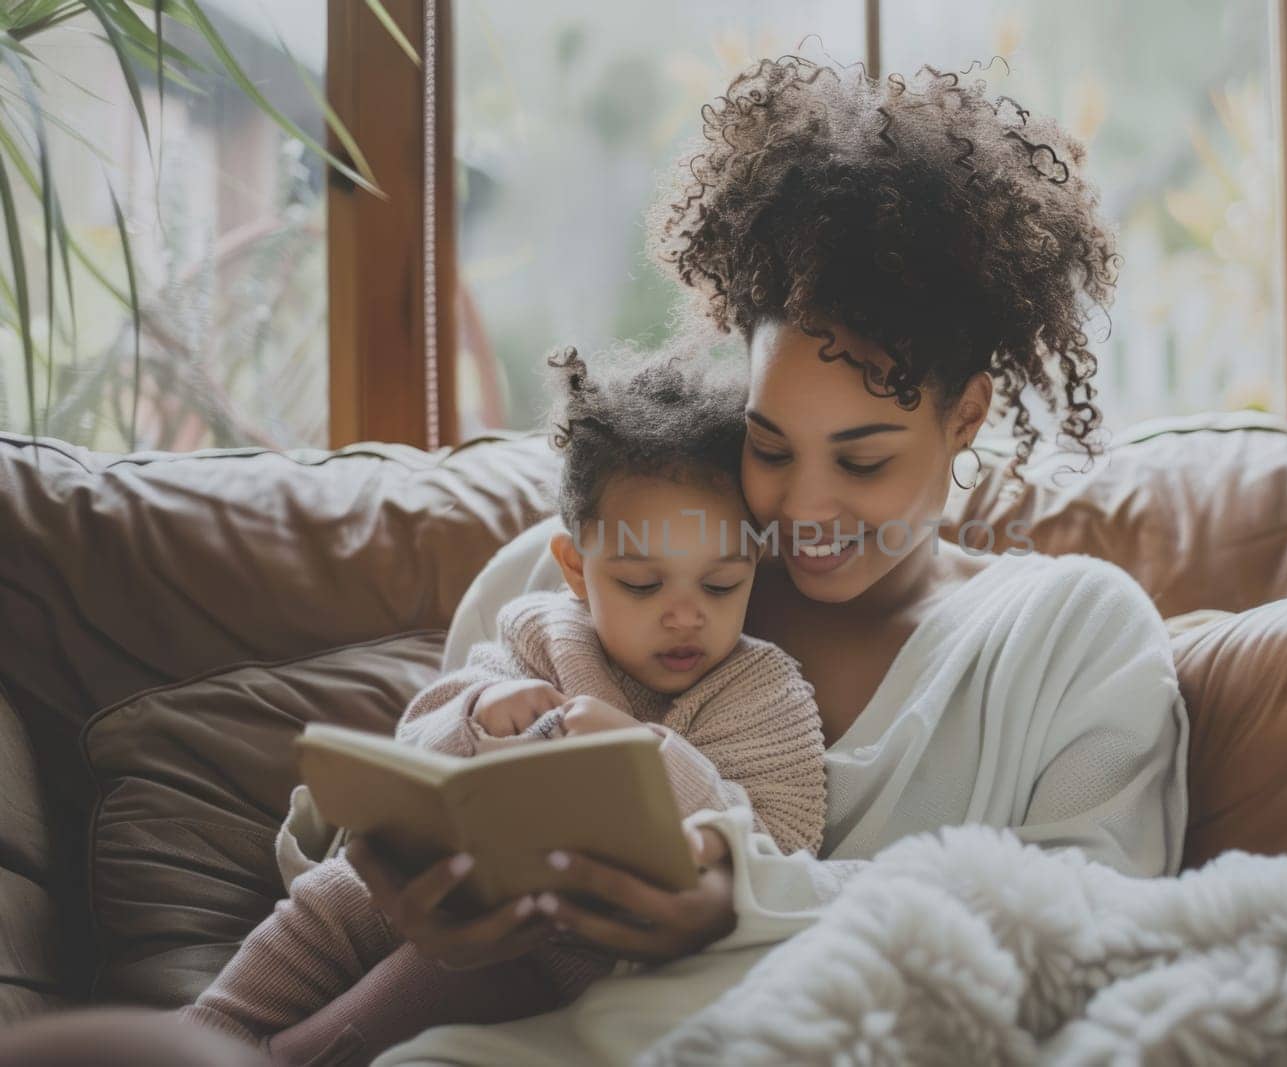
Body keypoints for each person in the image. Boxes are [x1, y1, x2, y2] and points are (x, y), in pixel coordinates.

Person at [345, 57, 1189, 1065]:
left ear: (965, 414)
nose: (801, 508)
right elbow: (388, 804)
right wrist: (397, 880)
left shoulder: (1071, 633)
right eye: (769, 444)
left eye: (864, 458)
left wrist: (744, 898)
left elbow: (1094, 925)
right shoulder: (600, 566)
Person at [180, 350, 827, 1066]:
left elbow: (782, 848)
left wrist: (647, 753)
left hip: (570, 946)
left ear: (753, 566)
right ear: (577, 568)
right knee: (339, 893)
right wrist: (482, 714)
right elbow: (419, 743)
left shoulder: (762, 690)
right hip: (448, 876)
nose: (685, 617)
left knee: (469, 973)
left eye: (720, 584)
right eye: (642, 585)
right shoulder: (543, 633)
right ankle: (211, 1028)